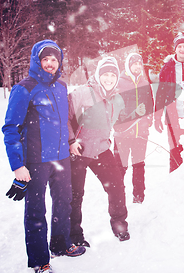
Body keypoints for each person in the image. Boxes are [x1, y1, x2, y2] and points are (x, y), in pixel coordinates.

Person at [2, 40, 86, 273]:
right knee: (36, 210)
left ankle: (60, 245)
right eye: (46, 59)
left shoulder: (61, 87)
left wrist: (70, 143)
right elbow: (11, 128)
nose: (50, 64)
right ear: (37, 61)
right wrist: (18, 165)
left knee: (63, 203)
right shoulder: (24, 88)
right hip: (36, 160)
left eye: (54, 60)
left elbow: (64, 121)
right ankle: (40, 260)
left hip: (61, 158)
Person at [67, 57, 130, 246]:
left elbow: (120, 123)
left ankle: (119, 224)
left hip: (102, 149)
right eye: (105, 74)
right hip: (78, 150)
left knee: (117, 186)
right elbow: (65, 118)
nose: (109, 79)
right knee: (75, 195)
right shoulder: (82, 93)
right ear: (98, 75)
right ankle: (74, 235)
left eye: (112, 75)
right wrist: (71, 141)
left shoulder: (116, 99)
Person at [154, 32, 184, 172]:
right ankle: (175, 181)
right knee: (175, 149)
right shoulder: (167, 67)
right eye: (179, 46)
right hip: (173, 114)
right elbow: (161, 93)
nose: (182, 49)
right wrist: (157, 116)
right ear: (175, 49)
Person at [114, 53, 154, 203]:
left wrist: (148, 121)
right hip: (122, 134)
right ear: (128, 65)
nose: (137, 67)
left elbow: (150, 105)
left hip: (141, 133)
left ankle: (139, 197)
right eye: (134, 64)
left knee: (139, 165)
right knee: (120, 167)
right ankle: (117, 196)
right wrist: (122, 123)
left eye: (139, 64)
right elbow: (113, 107)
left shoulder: (144, 83)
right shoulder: (119, 83)